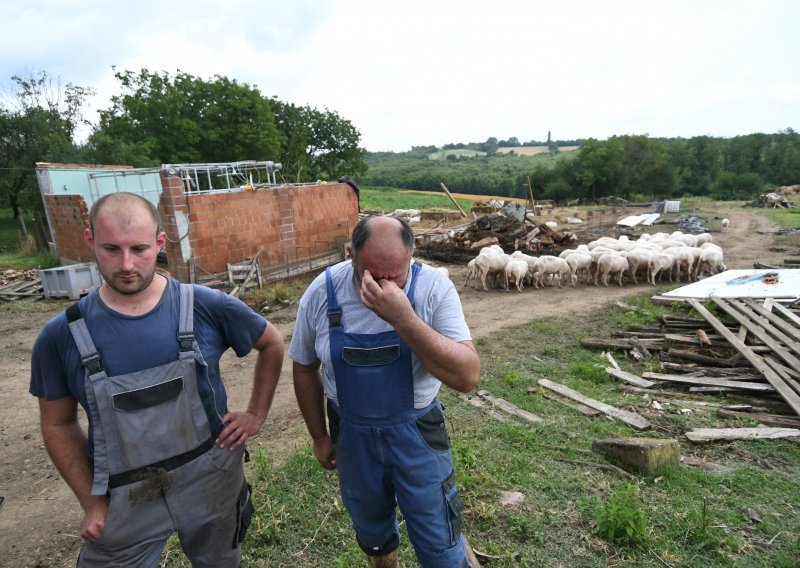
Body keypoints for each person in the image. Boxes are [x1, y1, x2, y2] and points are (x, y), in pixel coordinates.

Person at [30, 192, 284, 567]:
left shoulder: (205, 306)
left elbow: (272, 343)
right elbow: (57, 422)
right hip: (125, 497)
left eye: (140, 249)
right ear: (90, 241)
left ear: (161, 242)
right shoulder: (61, 336)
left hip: (210, 479)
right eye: (111, 249)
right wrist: (91, 500)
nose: (126, 264)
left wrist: (256, 414)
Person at [289, 215, 480, 567]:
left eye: (397, 276)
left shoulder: (433, 288)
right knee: (373, 535)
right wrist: (318, 436)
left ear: (411, 255)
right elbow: (302, 366)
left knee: (438, 537)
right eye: (375, 276)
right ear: (352, 256)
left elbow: (468, 376)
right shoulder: (322, 292)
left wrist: (403, 318)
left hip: (417, 437)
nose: (387, 285)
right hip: (352, 436)